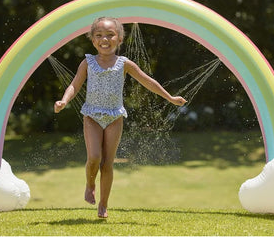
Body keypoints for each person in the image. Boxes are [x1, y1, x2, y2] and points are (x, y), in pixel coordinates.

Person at [54, 17, 187, 218]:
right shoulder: (88, 62)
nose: (104, 39)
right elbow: (75, 85)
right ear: (92, 40)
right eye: (98, 35)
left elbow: (148, 81)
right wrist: (64, 100)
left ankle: (103, 204)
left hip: (115, 117)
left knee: (107, 162)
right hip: (91, 115)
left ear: (120, 39)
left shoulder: (124, 64)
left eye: (110, 35)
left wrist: (169, 98)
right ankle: (90, 184)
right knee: (94, 157)